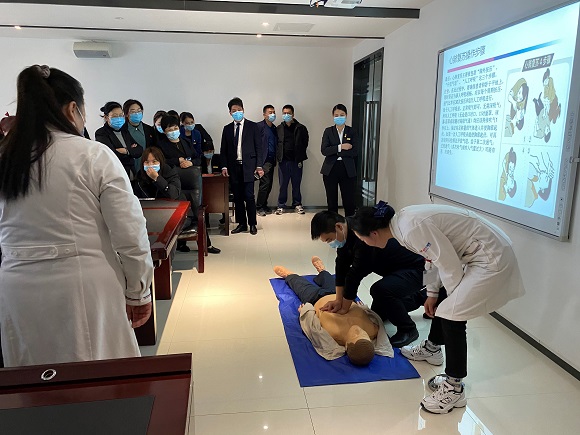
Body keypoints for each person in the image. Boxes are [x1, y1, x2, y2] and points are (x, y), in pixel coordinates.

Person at [0, 65, 153, 367]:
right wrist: (138, 292)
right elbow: (130, 232)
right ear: (73, 109)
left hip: (16, 288)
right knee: (96, 376)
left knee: (32, 378)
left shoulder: (6, 158)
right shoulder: (92, 155)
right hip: (84, 286)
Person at [348, 201, 525, 414]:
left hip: (491, 257)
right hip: (477, 254)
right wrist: (432, 294)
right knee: (446, 304)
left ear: (374, 233)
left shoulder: (410, 229)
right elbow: (432, 260)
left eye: (362, 239)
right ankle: (432, 348)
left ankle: (454, 388)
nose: (363, 243)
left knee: (452, 313)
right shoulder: (401, 226)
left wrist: (450, 301)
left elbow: (448, 264)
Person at [311, 210, 427, 348]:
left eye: (330, 240)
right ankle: (422, 298)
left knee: (380, 290)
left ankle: (408, 329)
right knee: (378, 314)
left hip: (421, 270)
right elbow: (341, 266)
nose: (331, 243)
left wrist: (344, 308)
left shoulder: (362, 235)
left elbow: (355, 275)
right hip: (398, 269)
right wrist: (338, 300)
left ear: (339, 227)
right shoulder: (346, 231)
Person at [274, 257, 392, 365]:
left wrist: (306, 311)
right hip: (340, 296)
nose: (359, 330)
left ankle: (289, 275)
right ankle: (322, 270)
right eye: (364, 335)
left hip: (317, 299)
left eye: (356, 335)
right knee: (330, 280)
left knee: (301, 286)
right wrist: (364, 308)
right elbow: (374, 317)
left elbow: (313, 327)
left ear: (347, 345)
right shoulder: (373, 331)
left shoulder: (333, 337)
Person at [157, 115, 206, 253]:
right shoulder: (161, 145)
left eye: (175, 128)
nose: (173, 131)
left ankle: (205, 244)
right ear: (164, 131)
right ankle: (180, 243)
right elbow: (162, 161)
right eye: (169, 129)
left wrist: (191, 162)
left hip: (191, 181)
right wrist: (177, 161)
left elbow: (198, 158)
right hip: (174, 182)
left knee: (196, 209)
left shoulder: (186, 141)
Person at [220, 97, 264, 235]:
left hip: (249, 167)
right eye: (234, 110)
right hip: (234, 168)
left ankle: (252, 224)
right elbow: (223, 150)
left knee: (249, 196)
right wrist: (224, 167)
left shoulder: (253, 126)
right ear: (230, 113)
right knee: (238, 197)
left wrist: (259, 166)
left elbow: (259, 148)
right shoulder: (227, 129)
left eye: (239, 110)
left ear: (243, 110)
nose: (237, 112)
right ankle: (242, 224)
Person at [321, 104, 358, 217]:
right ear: (333, 116)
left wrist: (335, 151)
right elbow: (324, 150)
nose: (339, 117)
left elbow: (355, 151)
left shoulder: (352, 131)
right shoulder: (328, 131)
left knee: (349, 201)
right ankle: (333, 224)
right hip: (330, 169)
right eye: (336, 115)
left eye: (342, 115)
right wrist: (340, 147)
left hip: (347, 169)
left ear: (346, 115)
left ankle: (349, 224)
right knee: (331, 201)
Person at [95, 101, 143, 178]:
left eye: (121, 115)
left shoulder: (124, 130)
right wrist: (131, 151)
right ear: (106, 117)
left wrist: (126, 151)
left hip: (132, 174)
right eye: (115, 116)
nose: (119, 118)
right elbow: (111, 155)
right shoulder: (101, 133)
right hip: (116, 174)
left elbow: (139, 150)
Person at [275, 104, 309, 215]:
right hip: (283, 161)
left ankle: (297, 204)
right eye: (284, 113)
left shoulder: (301, 128)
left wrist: (299, 154)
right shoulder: (279, 128)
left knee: (296, 184)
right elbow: (277, 143)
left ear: (293, 114)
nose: (286, 115)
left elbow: (305, 142)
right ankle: (281, 205)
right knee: (283, 185)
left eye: (288, 113)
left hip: (296, 161)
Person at [123, 99, 157, 174]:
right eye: (133, 111)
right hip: (129, 168)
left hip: (148, 167)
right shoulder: (122, 130)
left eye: (139, 111)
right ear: (126, 114)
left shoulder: (149, 129)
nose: (136, 114)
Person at [256, 104, 278, 216]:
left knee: (269, 184)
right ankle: (259, 207)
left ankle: (264, 205)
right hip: (263, 161)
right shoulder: (259, 126)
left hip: (271, 161)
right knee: (265, 184)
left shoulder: (274, 128)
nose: (272, 114)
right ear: (264, 115)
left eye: (273, 112)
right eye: (270, 112)